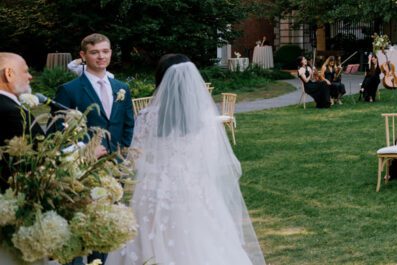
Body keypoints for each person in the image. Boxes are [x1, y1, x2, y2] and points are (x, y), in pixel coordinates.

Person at [107, 55, 264, 265]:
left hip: (154, 190)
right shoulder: (204, 120)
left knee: (150, 243)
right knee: (203, 242)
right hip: (195, 188)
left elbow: (136, 156)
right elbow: (211, 157)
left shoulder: (147, 117)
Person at [54, 33, 135, 155]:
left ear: (111, 53)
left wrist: (122, 149)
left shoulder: (122, 88)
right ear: (83, 55)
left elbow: (128, 124)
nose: (101, 56)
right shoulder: (68, 90)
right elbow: (60, 130)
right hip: (86, 164)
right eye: (94, 52)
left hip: (118, 159)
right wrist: (85, 153)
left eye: (105, 51)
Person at [0, 52, 41, 147]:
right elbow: (37, 153)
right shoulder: (11, 112)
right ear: (9, 74)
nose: (30, 77)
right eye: (25, 71)